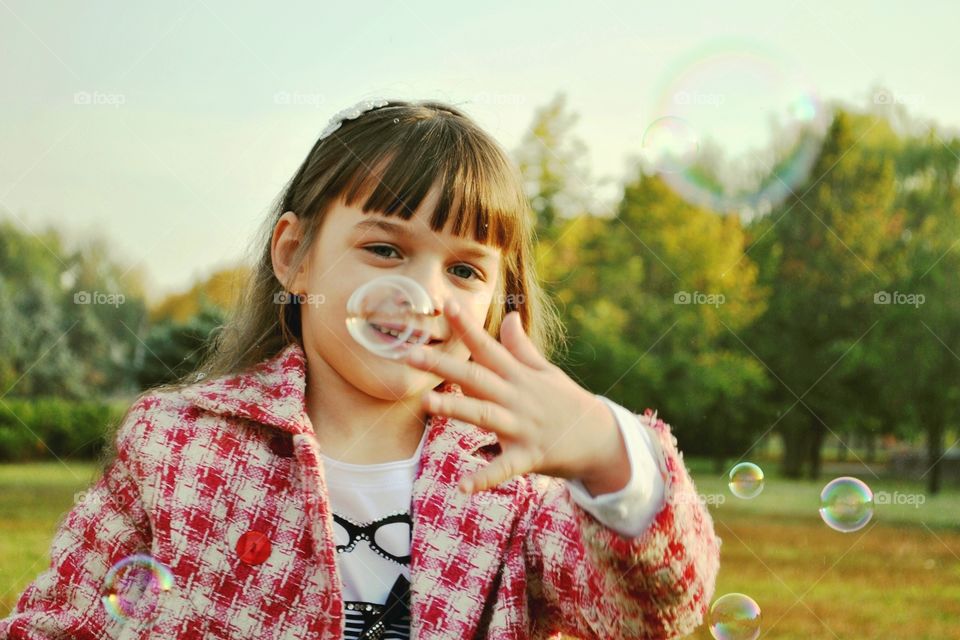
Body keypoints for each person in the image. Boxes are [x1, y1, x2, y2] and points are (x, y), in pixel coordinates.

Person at [0, 98, 720, 639]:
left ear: (504, 300)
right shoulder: (176, 444)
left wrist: (603, 448)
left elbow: (657, 610)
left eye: (464, 268)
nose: (421, 294)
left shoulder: (520, 485)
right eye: (385, 249)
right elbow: (56, 624)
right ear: (294, 256)